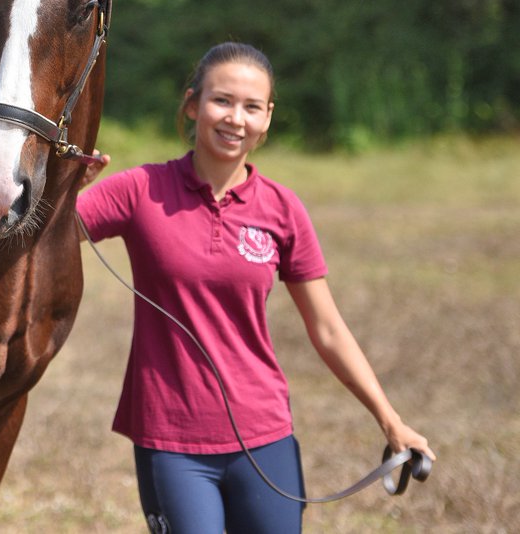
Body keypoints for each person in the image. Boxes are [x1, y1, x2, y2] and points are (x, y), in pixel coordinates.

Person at [76, 41, 434, 534]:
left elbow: (327, 329)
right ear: (192, 104)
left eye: (251, 107)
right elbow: (38, 233)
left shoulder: (283, 210)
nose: (234, 118)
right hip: (172, 438)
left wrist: (390, 420)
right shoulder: (140, 189)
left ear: (267, 119)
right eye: (221, 100)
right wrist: (63, 187)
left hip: (265, 435)